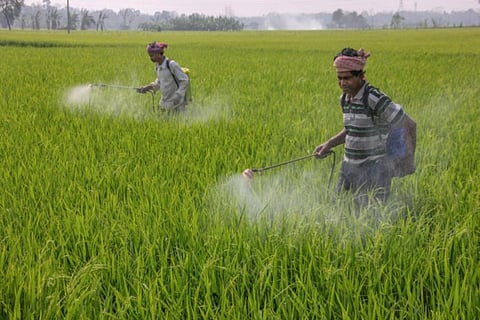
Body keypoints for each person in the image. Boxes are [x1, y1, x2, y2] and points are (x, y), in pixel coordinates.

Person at [314, 47, 405, 209]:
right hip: (349, 167)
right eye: (339, 78)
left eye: (347, 78)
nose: (342, 83)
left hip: (374, 169)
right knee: (338, 208)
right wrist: (329, 143)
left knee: (370, 217)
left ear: (361, 75)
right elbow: (351, 129)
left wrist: (406, 160)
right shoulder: (345, 99)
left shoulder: (373, 97)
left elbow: (407, 123)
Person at [137, 41, 189, 112]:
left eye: (152, 56)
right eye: (149, 56)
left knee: (177, 122)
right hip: (164, 102)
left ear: (158, 53)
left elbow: (184, 80)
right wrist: (146, 88)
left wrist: (178, 95)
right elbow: (158, 83)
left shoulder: (171, 65)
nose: (151, 58)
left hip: (176, 103)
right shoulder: (158, 67)